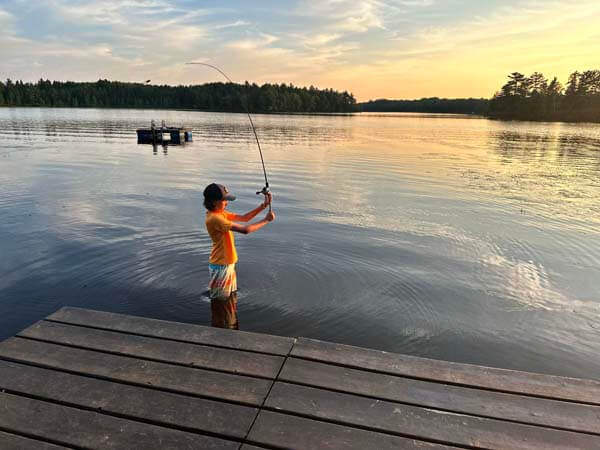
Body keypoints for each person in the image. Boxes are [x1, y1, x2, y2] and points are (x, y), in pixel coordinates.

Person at [203, 183, 275, 329]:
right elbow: (246, 230)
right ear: (215, 202)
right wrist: (266, 220)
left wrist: (263, 205)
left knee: (228, 301)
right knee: (222, 302)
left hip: (227, 264)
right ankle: (221, 331)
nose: (227, 202)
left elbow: (244, 218)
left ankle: (228, 328)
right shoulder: (215, 219)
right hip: (221, 267)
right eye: (224, 200)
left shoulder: (220, 214)